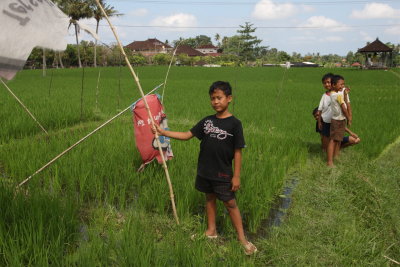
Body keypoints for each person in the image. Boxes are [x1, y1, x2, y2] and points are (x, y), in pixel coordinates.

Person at [152, 81, 257, 255]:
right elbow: (187, 135)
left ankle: (242, 239)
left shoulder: (234, 124)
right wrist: (163, 133)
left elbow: (238, 151)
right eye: (212, 98)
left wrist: (236, 176)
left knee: (230, 203)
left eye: (219, 98)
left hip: (223, 172)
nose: (215, 102)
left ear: (229, 98)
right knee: (209, 199)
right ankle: (211, 231)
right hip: (205, 170)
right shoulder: (207, 121)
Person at [327, 75, 352, 166]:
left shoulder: (334, 94)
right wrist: (349, 117)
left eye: (343, 84)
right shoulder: (337, 95)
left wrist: (345, 94)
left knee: (338, 140)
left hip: (339, 119)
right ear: (333, 85)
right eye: (341, 84)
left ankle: (336, 156)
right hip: (337, 121)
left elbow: (344, 102)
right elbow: (344, 108)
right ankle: (329, 161)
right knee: (333, 140)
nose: (342, 86)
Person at [317, 73, 334, 151]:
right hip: (325, 121)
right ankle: (325, 150)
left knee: (334, 139)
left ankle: (334, 153)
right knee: (325, 138)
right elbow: (320, 109)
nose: (326, 84)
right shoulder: (324, 95)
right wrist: (319, 122)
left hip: (335, 121)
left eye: (328, 82)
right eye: (324, 83)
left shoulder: (338, 94)